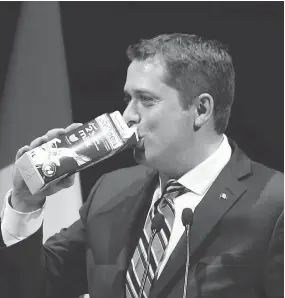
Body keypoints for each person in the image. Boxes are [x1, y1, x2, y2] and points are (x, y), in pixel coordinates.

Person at [0, 33, 283, 298]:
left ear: (201, 110)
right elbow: (34, 289)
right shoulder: (112, 191)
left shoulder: (275, 205)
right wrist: (25, 203)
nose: (127, 116)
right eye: (128, 99)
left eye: (146, 100)